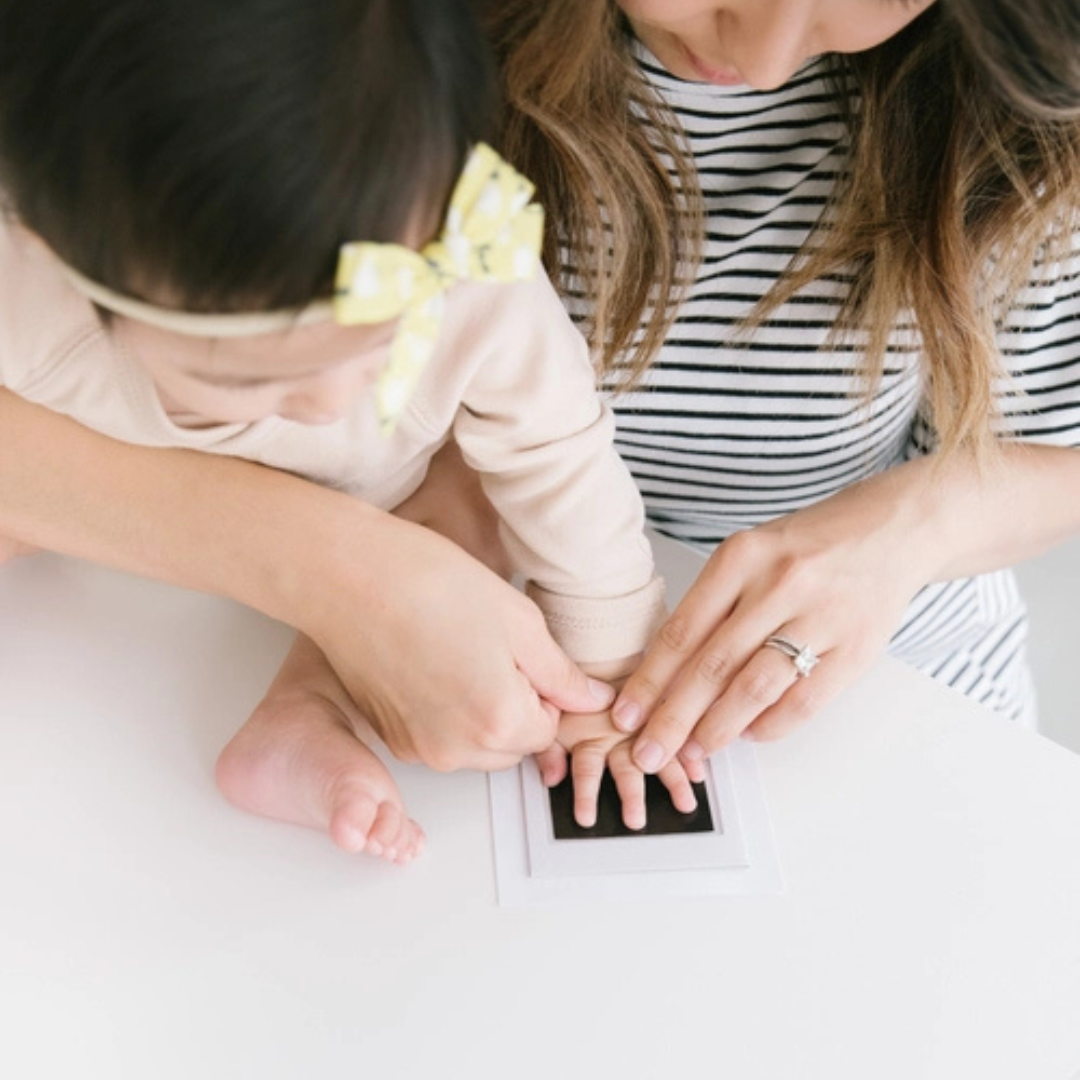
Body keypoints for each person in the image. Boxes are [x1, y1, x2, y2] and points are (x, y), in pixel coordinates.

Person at [2, 0, 1078, 841]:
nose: (763, 53)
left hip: (893, 670)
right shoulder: (343, 65)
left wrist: (910, 529)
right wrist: (333, 572)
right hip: (428, 638)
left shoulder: (1027, 99)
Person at [0, 0, 699, 862]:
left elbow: (557, 451)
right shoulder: (27, 289)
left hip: (391, 527)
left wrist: (606, 680)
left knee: (468, 524)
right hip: (111, 594)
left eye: (375, 341)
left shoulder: (466, 275)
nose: (330, 401)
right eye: (251, 378)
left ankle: (305, 713)